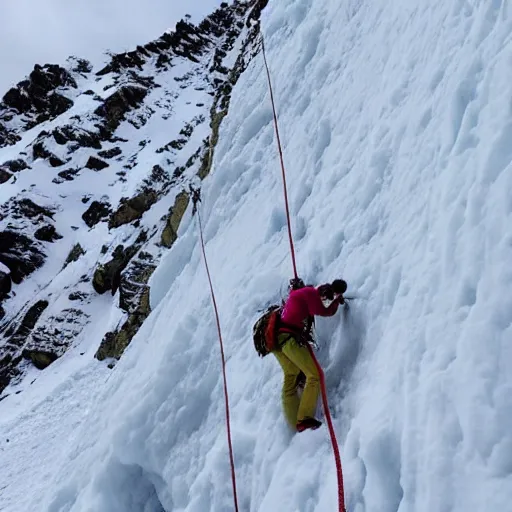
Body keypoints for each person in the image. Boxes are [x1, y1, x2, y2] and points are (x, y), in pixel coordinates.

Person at [273, 278, 347, 432]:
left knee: (291, 374)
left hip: (279, 341)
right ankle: (304, 419)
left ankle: (293, 423)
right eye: (325, 297)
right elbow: (324, 311)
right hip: (290, 339)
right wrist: (336, 301)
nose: (324, 300)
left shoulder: (297, 293)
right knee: (315, 375)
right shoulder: (311, 293)